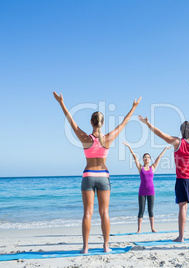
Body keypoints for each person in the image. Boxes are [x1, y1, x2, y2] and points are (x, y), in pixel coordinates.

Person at [53, 92, 141, 253]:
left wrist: (61, 103)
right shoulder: (107, 138)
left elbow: (71, 121)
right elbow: (124, 123)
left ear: (91, 122)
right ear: (102, 123)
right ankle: (106, 246)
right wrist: (134, 107)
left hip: (88, 175)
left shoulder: (85, 138)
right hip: (103, 176)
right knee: (104, 212)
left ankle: (85, 247)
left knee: (87, 212)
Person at [122, 142, 171, 233]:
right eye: (145, 157)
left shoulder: (153, 167)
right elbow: (135, 157)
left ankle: (152, 228)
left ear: (150, 159)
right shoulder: (141, 168)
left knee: (150, 210)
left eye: (148, 157)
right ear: (143, 159)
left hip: (151, 191)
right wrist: (129, 146)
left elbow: (159, 157)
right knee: (141, 210)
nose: (146, 158)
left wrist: (165, 149)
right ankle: (139, 229)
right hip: (142, 192)